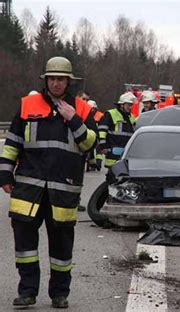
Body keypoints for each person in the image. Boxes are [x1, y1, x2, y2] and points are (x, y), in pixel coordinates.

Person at [0, 56, 97, 308]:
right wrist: (4, 172)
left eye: (61, 79)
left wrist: (73, 119)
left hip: (63, 192)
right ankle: (27, 292)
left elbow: (89, 144)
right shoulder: (27, 105)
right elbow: (12, 143)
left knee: (62, 249)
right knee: (25, 247)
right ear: (46, 80)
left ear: (69, 81)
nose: (56, 83)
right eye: (52, 78)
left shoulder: (83, 110)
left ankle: (59, 294)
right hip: (28, 190)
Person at [97, 92, 136, 168]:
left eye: (131, 105)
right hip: (113, 151)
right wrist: (103, 146)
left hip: (126, 153)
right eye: (128, 105)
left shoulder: (132, 117)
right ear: (121, 104)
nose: (130, 107)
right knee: (112, 175)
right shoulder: (110, 114)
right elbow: (102, 130)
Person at [85, 100, 104, 172]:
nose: (91, 110)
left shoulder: (100, 115)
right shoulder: (85, 114)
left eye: (92, 108)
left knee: (98, 148)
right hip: (89, 133)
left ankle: (98, 163)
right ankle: (92, 163)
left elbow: (103, 126)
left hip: (98, 133)